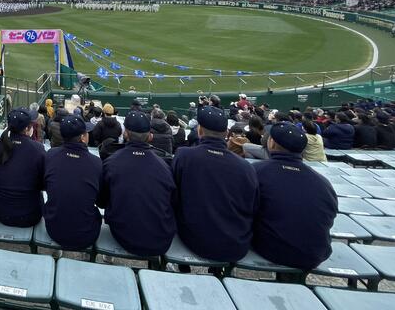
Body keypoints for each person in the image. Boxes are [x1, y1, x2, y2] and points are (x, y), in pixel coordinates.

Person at [172, 105, 259, 263]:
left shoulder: (184, 156)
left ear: (199, 130)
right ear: (226, 134)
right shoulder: (246, 167)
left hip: (193, 238)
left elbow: (173, 196)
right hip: (235, 244)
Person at [252, 123, 338, 269]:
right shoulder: (323, 182)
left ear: (271, 142)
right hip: (315, 254)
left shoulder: (255, 171)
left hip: (273, 250)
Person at [98, 110, 176, 257]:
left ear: (125, 134)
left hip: (123, 236)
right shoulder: (165, 165)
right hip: (160, 240)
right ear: (150, 136)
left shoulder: (111, 162)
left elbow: (102, 202)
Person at [43, 114, 102, 250]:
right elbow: (101, 200)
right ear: (82, 137)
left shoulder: (51, 155)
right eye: (86, 133)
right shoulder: (96, 162)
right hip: (85, 234)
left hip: (54, 229)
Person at [0, 108, 46, 227]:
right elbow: (43, 184)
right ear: (27, 129)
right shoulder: (38, 149)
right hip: (30, 215)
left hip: (2, 213)